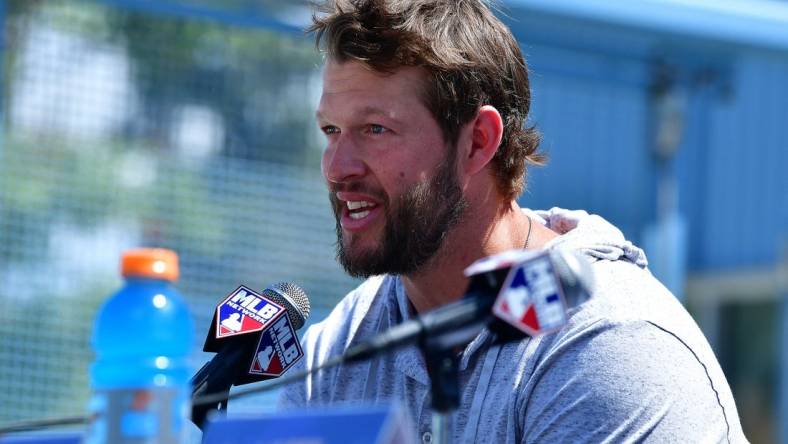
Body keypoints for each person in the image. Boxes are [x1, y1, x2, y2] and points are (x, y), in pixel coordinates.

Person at [279, 0, 747, 442]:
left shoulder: (609, 346)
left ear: (478, 142)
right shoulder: (338, 348)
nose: (337, 167)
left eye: (375, 129)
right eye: (331, 130)